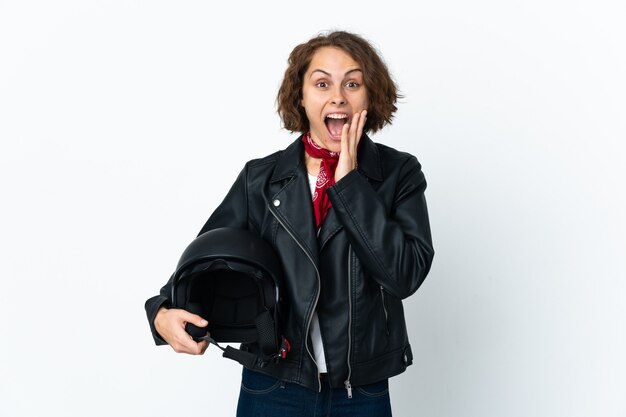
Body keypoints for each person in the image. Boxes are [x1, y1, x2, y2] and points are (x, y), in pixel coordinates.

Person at [145, 30, 434, 416]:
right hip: (272, 384)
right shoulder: (259, 179)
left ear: (370, 95)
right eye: (321, 83)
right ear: (301, 96)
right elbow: (207, 259)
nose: (337, 96)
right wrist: (161, 310)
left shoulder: (399, 173)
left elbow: (404, 275)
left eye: (352, 83)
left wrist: (350, 184)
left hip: (360, 391)